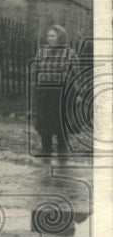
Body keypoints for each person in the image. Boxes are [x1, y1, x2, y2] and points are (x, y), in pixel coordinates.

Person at [32, 24, 79, 158]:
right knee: (43, 119)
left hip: (61, 91)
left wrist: (79, 92)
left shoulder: (69, 53)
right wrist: (37, 86)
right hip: (45, 90)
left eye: (53, 36)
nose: (49, 38)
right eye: (48, 36)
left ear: (61, 37)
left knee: (60, 120)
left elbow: (76, 73)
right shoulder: (42, 51)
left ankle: (62, 149)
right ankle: (46, 149)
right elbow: (36, 69)